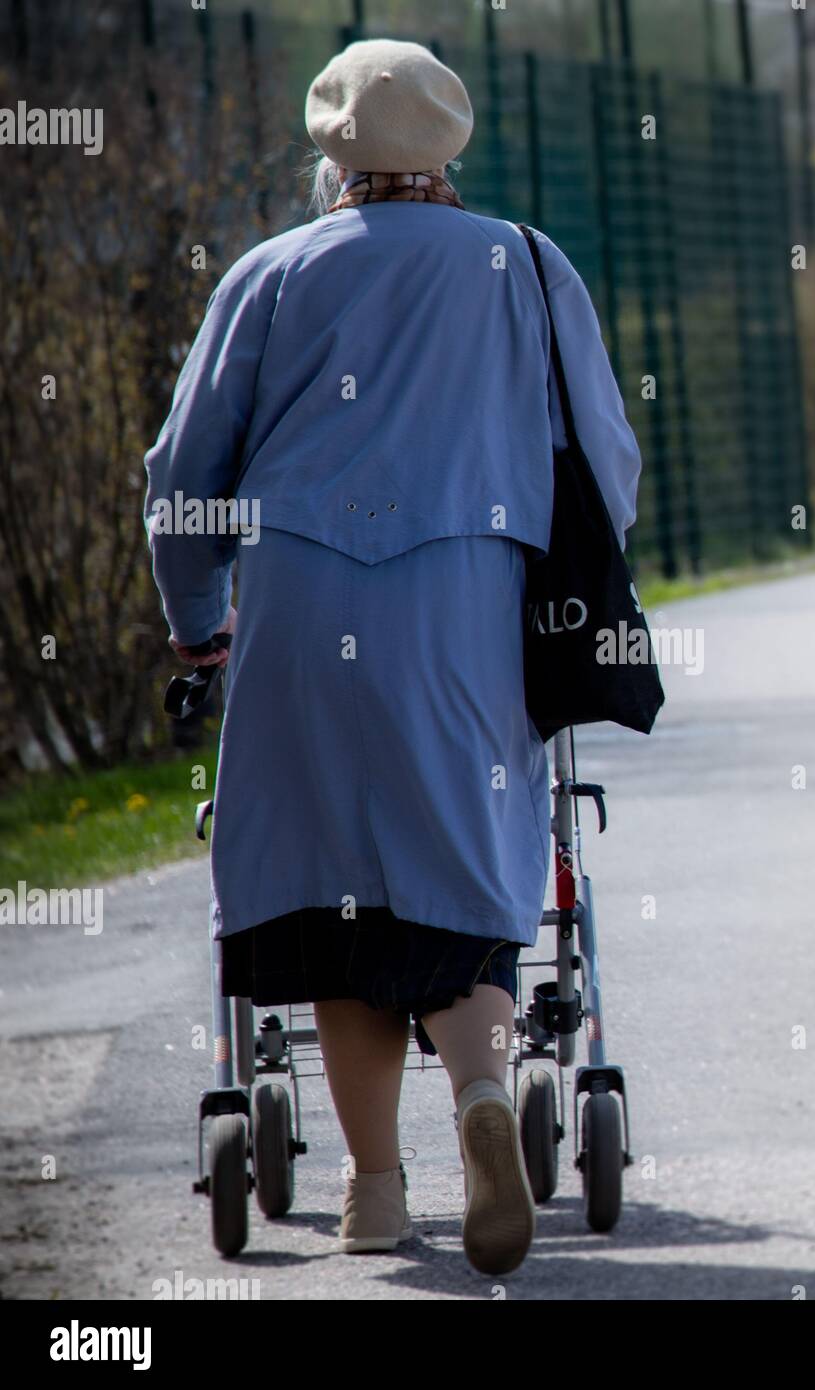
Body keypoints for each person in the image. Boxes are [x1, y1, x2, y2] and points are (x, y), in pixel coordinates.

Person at [143, 38, 641, 1276]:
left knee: (327, 891)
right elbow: (606, 462)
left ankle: (373, 1191)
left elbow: (182, 485)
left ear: (332, 154)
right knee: (460, 871)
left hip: (303, 607)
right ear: (447, 151)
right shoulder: (523, 267)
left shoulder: (267, 276)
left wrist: (200, 619)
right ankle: (481, 1088)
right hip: (468, 606)